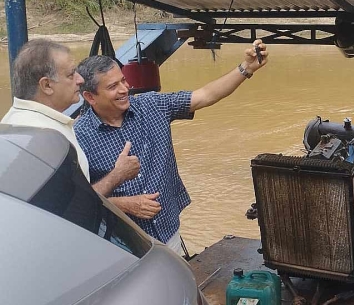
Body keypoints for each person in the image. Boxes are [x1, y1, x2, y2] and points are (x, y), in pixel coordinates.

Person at [74, 40, 269, 254]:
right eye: (113, 87)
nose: (124, 89)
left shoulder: (152, 106)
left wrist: (246, 68)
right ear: (90, 97)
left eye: (123, 80)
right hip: (120, 244)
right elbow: (78, 202)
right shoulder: (77, 137)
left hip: (168, 232)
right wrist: (121, 201)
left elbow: (204, 96)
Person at [1, 39, 139, 195]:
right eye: (71, 74)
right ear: (47, 85)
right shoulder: (44, 138)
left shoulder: (17, 124)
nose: (80, 80)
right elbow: (73, 208)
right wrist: (118, 175)